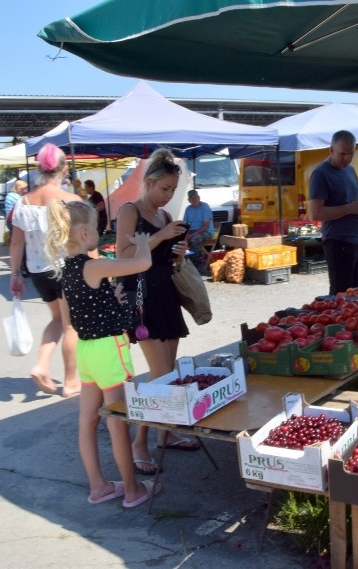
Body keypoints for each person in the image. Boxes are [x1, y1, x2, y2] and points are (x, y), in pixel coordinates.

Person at [44, 199, 161, 507]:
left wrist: (111, 298)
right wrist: (144, 244)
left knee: (87, 421)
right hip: (109, 349)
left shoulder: (67, 271)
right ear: (83, 233)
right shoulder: (93, 265)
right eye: (96, 229)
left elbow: (71, 319)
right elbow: (142, 264)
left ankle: (99, 486)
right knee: (117, 420)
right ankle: (133, 491)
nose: (100, 233)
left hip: (85, 351)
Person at [116, 149, 196, 473]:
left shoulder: (164, 217)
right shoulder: (129, 211)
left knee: (168, 371)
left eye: (173, 191)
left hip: (165, 294)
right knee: (160, 375)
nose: (168, 196)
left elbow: (163, 260)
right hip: (141, 297)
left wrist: (177, 251)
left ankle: (164, 436)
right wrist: (161, 236)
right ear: (148, 183)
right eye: (164, 189)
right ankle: (140, 442)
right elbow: (122, 254)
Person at [9, 144, 82, 397]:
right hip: (66, 269)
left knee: (57, 320)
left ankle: (41, 365)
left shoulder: (24, 201)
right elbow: (85, 241)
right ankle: (71, 380)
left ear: (40, 168)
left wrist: (15, 274)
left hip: (38, 271)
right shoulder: (72, 201)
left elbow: (16, 242)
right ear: (64, 169)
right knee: (71, 325)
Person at [308, 130, 358, 295]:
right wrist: (349, 209)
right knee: (341, 295)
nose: (347, 158)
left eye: (351, 153)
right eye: (342, 154)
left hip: (357, 239)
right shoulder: (320, 173)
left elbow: (351, 202)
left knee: (356, 293)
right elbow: (315, 214)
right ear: (331, 150)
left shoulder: (351, 170)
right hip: (338, 241)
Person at [182, 189, 214, 274]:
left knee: (195, 239)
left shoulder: (204, 206)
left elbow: (206, 225)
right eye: (191, 198)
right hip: (192, 231)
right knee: (180, 241)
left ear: (199, 197)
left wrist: (191, 235)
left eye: (195, 197)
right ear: (189, 200)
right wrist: (185, 235)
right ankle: (187, 265)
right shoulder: (188, 209)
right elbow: (185, 224)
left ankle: (200, 266)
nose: (194, 199)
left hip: (205, 231)